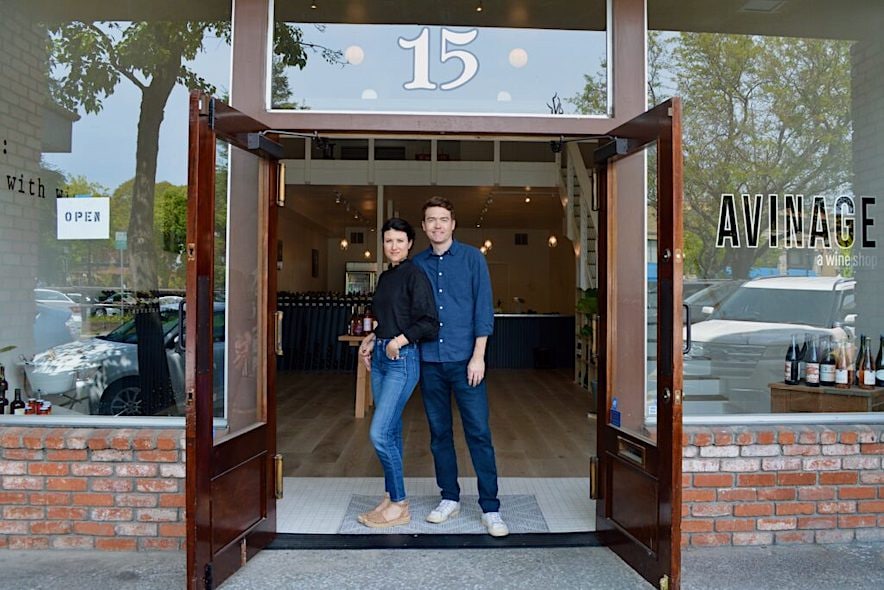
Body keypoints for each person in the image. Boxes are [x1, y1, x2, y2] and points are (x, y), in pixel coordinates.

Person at [412, 196, 509, 537]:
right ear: (423, 227)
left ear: (453, 224)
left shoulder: (472, 259)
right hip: (429, 362)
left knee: (478, 433)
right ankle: (449, 497)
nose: (437, 224)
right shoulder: (417, 264)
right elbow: (407, 312)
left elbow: (483, 310)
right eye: (430, 219)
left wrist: (478, 356)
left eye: (443, 219)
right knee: (439, 435)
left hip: (467, 362)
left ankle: (490, 507)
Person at [356, 217, 438, 528]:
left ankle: (400, 503)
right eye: (389, 241)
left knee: (378, 433)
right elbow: (388, 318)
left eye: (399, 241)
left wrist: (398, 341)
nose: (393, 246)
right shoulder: (386, 277)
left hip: (401, 360)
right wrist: (372, 338)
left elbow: (429, 322)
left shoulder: (415, 275)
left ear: (410, 244)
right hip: (380, 356)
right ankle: (391, 496)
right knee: (389, 432)